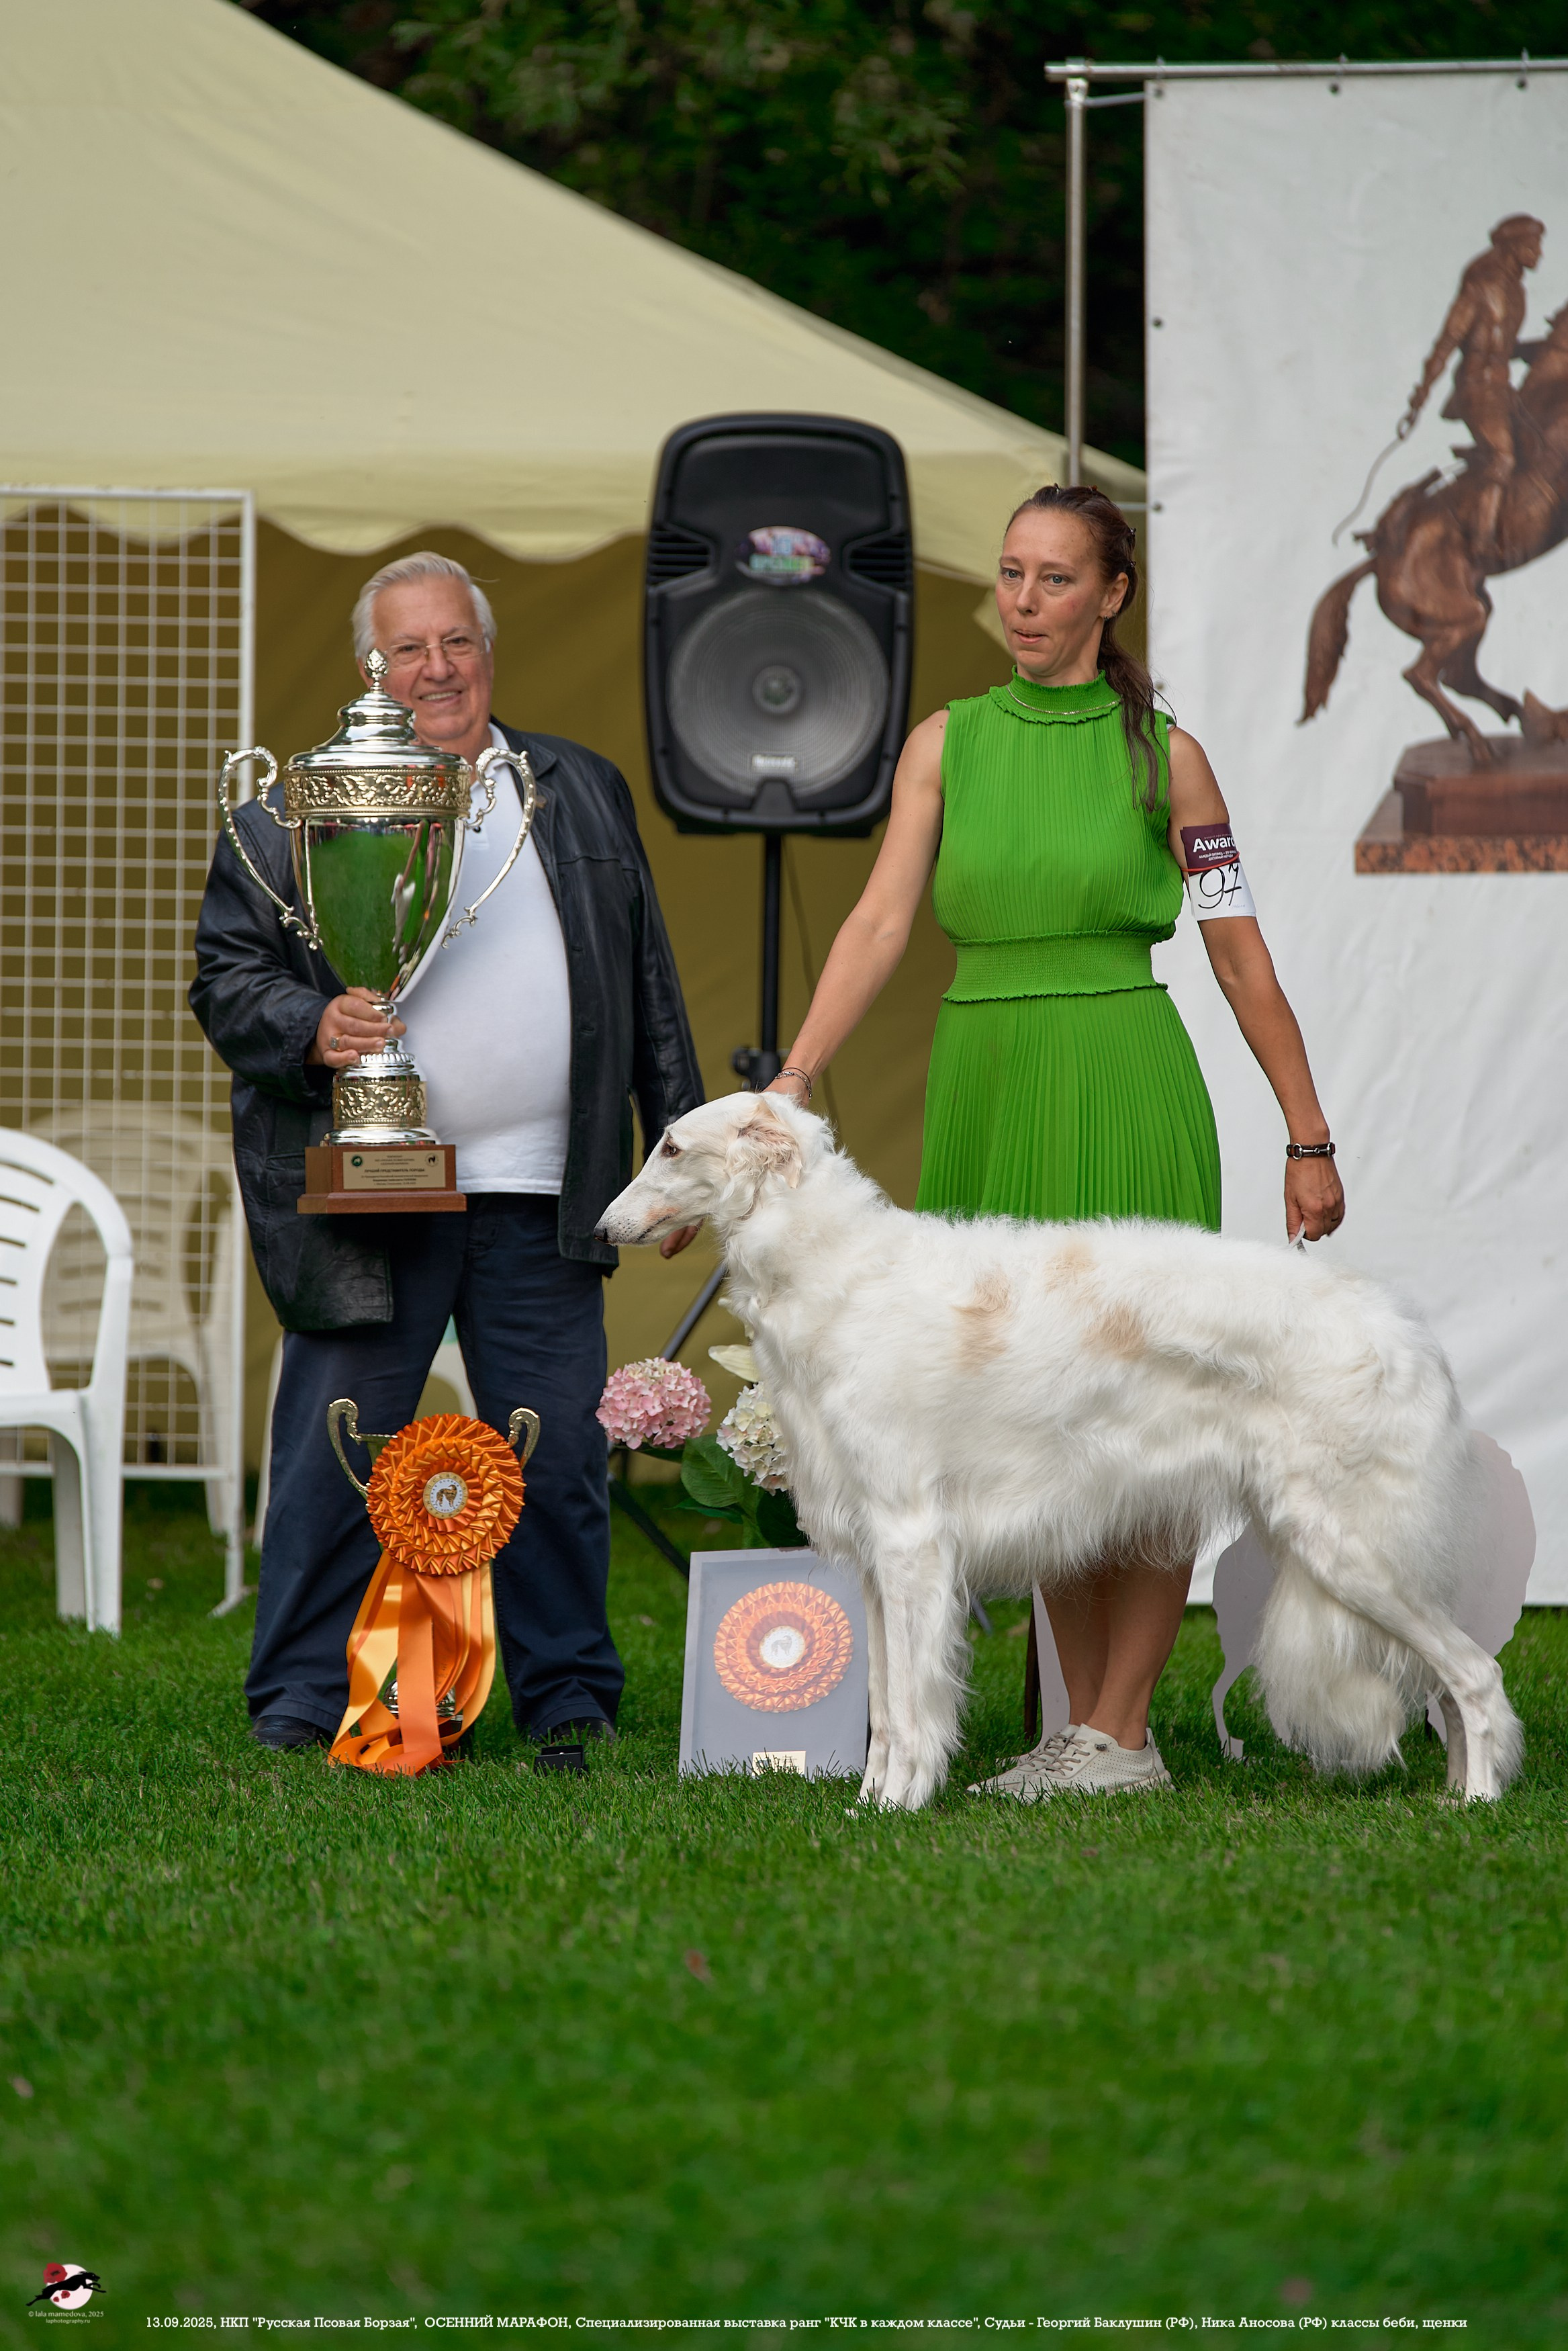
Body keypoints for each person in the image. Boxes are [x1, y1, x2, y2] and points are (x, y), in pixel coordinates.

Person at [766, 484, 1344, 1801]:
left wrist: (1307, 1135)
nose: (1022, 602)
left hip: (1123, 1078)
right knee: (1028, 1414)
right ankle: (1079, 1731)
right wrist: (797, 1073)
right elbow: (873, 927)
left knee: (1144, 1413)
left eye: (1054, 579)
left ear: (1110, 595)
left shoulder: (1172, 759)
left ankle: (1118, 1730)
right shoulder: (943, 744)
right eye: (1010, 577)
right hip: (986, 1079)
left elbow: (1242, 959)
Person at [191, 552, 703, 1754]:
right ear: (371, 668)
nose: (436, 669)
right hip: (368, 1188)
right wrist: (309, 1026)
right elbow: (225, 977)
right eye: (407, 649)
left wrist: (678, 1155)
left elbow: (646, 985)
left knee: (558, 1452)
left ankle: (571, 1699)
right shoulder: (302, 801)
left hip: (541, 1184)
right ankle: (301, 1703)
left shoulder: (579, 787)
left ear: (489, 652)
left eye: (455, 642)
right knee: (335, 1449)